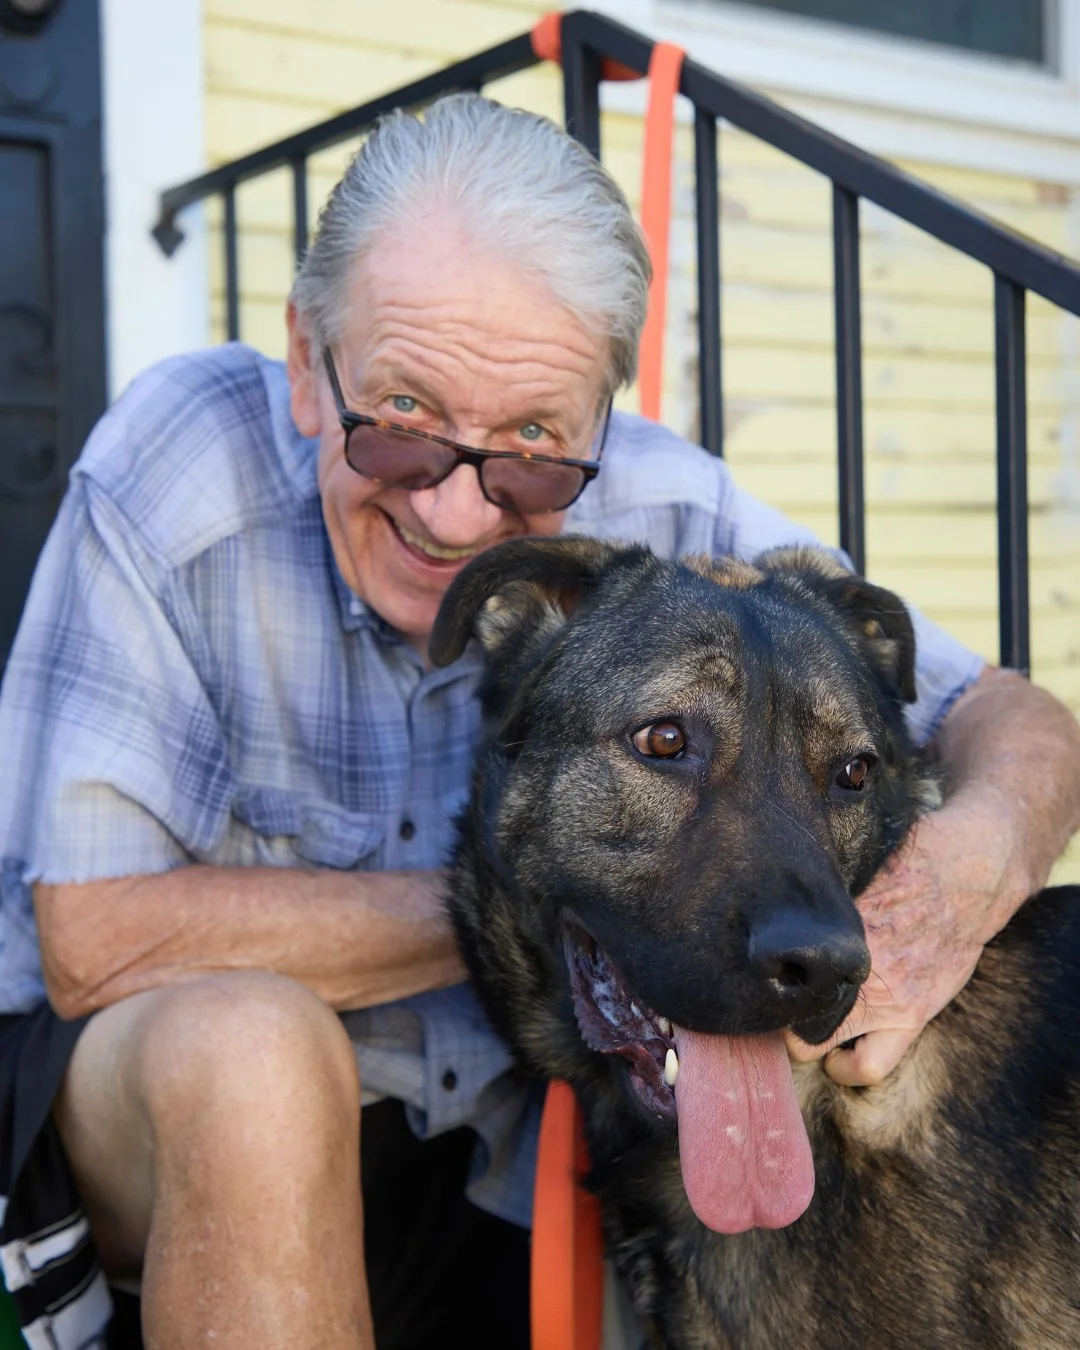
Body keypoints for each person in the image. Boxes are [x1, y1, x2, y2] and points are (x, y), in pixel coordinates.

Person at [0, 94, 1077, 1350]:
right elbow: (92, 939)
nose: (456, 517)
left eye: (528, 449)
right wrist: (537, 902)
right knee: (257, 1050)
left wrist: (960, 869)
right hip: (171, 1125)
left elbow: (1009, 716)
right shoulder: (183, 471)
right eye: (400, 426)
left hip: (504, 1160)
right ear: (307, 363)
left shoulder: (660, 517)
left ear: (597, 422)